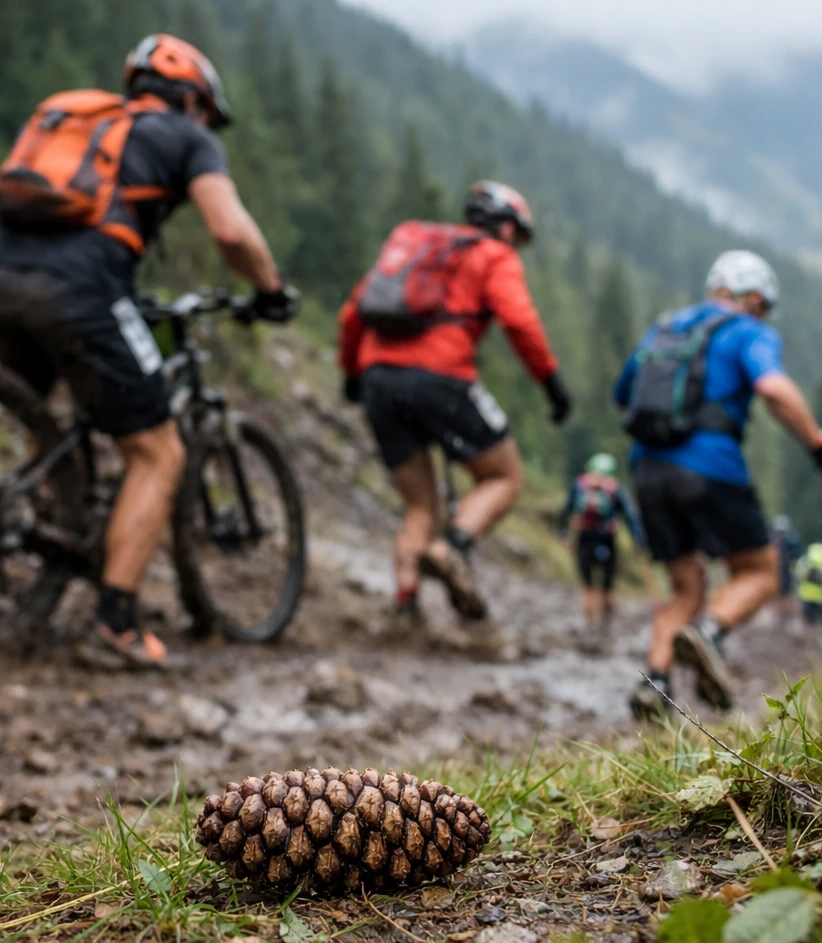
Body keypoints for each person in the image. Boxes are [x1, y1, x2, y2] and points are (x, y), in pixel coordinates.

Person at [0, 34, 297, 670]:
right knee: (157, 450)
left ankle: (49, 523)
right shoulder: (185, 136)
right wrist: (270, 291)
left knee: (42, 420)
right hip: (81, 286)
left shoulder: (81, 120)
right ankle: (115, 624)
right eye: (207, 114)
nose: (206, 124)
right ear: (193, 98)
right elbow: (230, 230)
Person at [614, 249, 822, 715]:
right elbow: (773, 388)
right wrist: (816, 443)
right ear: (755, 297)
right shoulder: (747, 330)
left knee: (686, 588)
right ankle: (710, 633)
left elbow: (624, 395)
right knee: (761, 570)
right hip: (709, 465)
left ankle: (652, 685)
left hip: (647, 469)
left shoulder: (664, 329)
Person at [339, 181, 571, 623]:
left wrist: (353, 373)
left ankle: (406, 605)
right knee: (503, 477)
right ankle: (453, 549)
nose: (517, 247)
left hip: (378, 378)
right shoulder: (492, 255)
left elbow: (353, 311)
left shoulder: (415, 245)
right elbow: (519, 321)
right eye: (518, 237)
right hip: (442, 377)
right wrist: (550, 382)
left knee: (418, 504)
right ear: (506, 228)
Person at [558, 452, 645, 629]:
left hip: (585, 538)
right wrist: (640, 541)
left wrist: (563, 533)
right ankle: (606, 624)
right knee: (607, 584)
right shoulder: (615, 488)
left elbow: (565, 509)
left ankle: (590, 625)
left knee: (588, 584)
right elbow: (630, 516)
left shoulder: (579, 485)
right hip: (607, 539)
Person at [771, 514, 802, 619]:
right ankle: (779, 613)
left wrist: (790, 559)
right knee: (778, 591)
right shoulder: (773, 539)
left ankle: (789, 613)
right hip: (776, 569)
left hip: (786, 569)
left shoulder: (791, 539)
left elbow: (798, 554)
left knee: (787, 591)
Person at [794, 542, 822, 626]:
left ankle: (808, 635)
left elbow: (798, 576)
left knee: (809, 621)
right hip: (821, 597)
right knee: (820, 620)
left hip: (806, 595)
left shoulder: (804, 561)